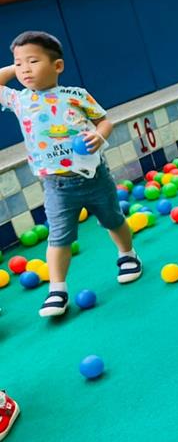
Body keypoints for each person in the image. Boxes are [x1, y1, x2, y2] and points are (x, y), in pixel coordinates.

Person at [0, 31, 142, 318]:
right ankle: (57, 289)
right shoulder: (19, 100)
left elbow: (104, 121)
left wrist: (99, 136)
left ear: (58, 66)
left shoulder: (76, 95)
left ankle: (127, 255)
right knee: (58, 237)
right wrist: (17, 66)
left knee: (113, 219)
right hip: (56, 185)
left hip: (94, 176)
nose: (25, 69)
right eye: (19, 63)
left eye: (33, 61)